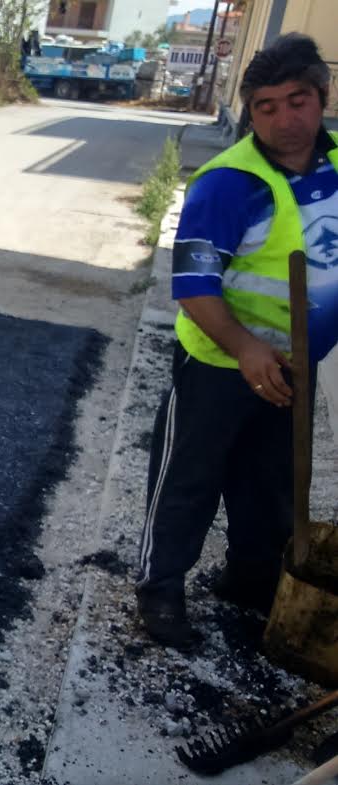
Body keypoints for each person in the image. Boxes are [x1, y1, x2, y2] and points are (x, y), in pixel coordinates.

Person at [135, 33, 338, 650]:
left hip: (297, 367)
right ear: (250, 113)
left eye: (297, 100)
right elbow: (194, 285)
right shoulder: (227, 184)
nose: (284, 118)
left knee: (271, 482)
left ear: (322, 98)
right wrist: (247, 348)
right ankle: (161, 589)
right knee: (188, 479)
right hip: (221, 364)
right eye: (267, 106)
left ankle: (249, 580)